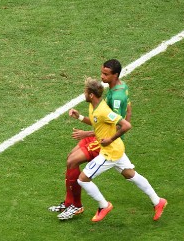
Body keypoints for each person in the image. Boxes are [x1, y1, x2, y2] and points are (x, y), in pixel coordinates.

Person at [66, 77, 167, 222]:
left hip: (110, 152)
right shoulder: (93, 106)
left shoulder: (104, 111)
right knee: (130, 175)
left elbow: (126, 125)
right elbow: (95, 123)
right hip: (116, 149)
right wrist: (79, 117)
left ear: (91, 95)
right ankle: (158, 201)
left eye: (85, 91)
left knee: (82, 180)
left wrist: (110, 139)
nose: (83, 94)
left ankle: (104, 205)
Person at [50, 59, 132, 220]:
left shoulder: (106, 106)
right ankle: (69, 203)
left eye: (105, 74)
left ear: (91, 94)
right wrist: (79, 117)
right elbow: (98, 121)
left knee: (75, 164)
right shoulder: (96, 103)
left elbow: (119, 124)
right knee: (70, 160)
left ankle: (78, 206)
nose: (102, 76)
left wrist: (89, 134)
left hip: (104, 143)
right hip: (98, 137)